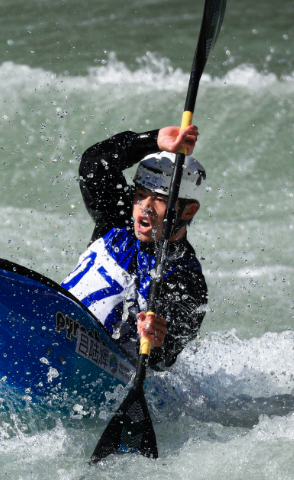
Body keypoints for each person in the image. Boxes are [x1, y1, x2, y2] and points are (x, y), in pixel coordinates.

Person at [61, 125, 208, 371]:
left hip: (105, 370)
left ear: (189, 210)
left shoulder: (186, 278)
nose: (145, 207)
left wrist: (157, 340)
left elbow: (165, 357)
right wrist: (153, 141)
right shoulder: (118, 218)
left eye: (160, 200)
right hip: (58, 327)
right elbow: (94, 164)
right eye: (140, 194)